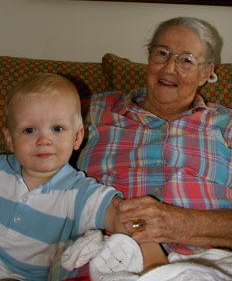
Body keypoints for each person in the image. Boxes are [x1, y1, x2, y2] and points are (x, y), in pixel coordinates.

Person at [77, 17, 232, 256]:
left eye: (187, 60)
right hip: (102, 255)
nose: (170, 68)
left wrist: (180, 224)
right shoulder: (92, 111)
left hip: (209, 260)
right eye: (162, 53)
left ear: (205, 74)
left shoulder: (228, 125)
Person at [0, 73, 167, 281]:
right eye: (29, 130)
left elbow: (123, 216)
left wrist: (154, 260)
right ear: (10, 139)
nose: (44, 140)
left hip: (18, 276)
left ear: (76, 138)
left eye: (57, 128)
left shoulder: (79, 193)